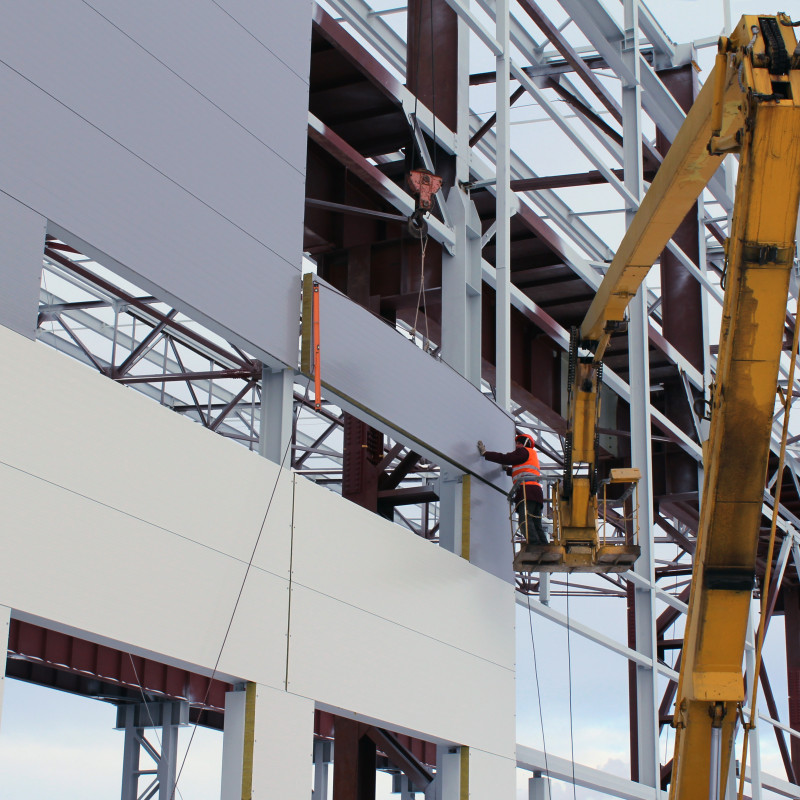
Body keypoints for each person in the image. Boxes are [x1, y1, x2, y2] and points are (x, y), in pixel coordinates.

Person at [477, 433, 548, 545]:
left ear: (525, 444)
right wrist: (508, 470)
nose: (517, 445)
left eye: (519, 443)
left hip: (526, 491)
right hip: (536, 492)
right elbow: (523, 471)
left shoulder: (523, 451)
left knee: (524, 521)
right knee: (536, 524)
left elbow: (507, 458)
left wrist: (486, 454)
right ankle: (544, 547)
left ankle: (535, 546)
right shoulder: (532, 455)